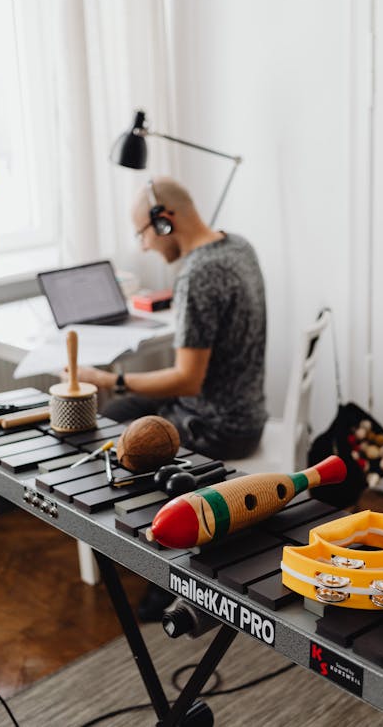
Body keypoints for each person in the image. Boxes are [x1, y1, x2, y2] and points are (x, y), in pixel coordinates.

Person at [75, 176, 268, 619]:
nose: (143, 247)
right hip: (243, 408)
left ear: (165, 222)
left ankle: (172, 576)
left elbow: (187, 380)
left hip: (218, 424)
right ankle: (135, 547)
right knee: (119, 416)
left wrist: (112, 380)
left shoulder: (199, 274)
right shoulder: (237, 245)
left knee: (125, 440)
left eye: (142, 233)